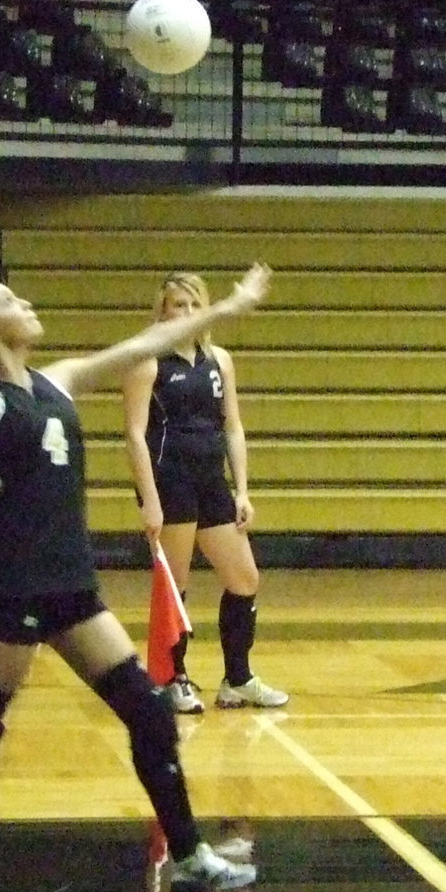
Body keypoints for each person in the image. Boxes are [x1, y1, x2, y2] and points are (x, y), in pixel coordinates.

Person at [0, 206, 270, 892]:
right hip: (14, 586)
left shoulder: (60, 381)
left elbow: (148, 341)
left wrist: (229, 306)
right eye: (10, 302)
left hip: (73, 585)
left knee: (149, 712)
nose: (27, 304)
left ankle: (191, 854)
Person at [122, 271, 288, 715]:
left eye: (195, 304)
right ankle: (172, 677)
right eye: (179, 305)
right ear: (163, 311)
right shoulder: (148, 361)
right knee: (175, 585)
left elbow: (232, 426)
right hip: (169, 479)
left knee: (245, 578)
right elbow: (135, 435)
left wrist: (243, 489)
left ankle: (238, 679)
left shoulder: (219, 360)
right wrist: (150, 499)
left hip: (211, 479)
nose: (188, 313)